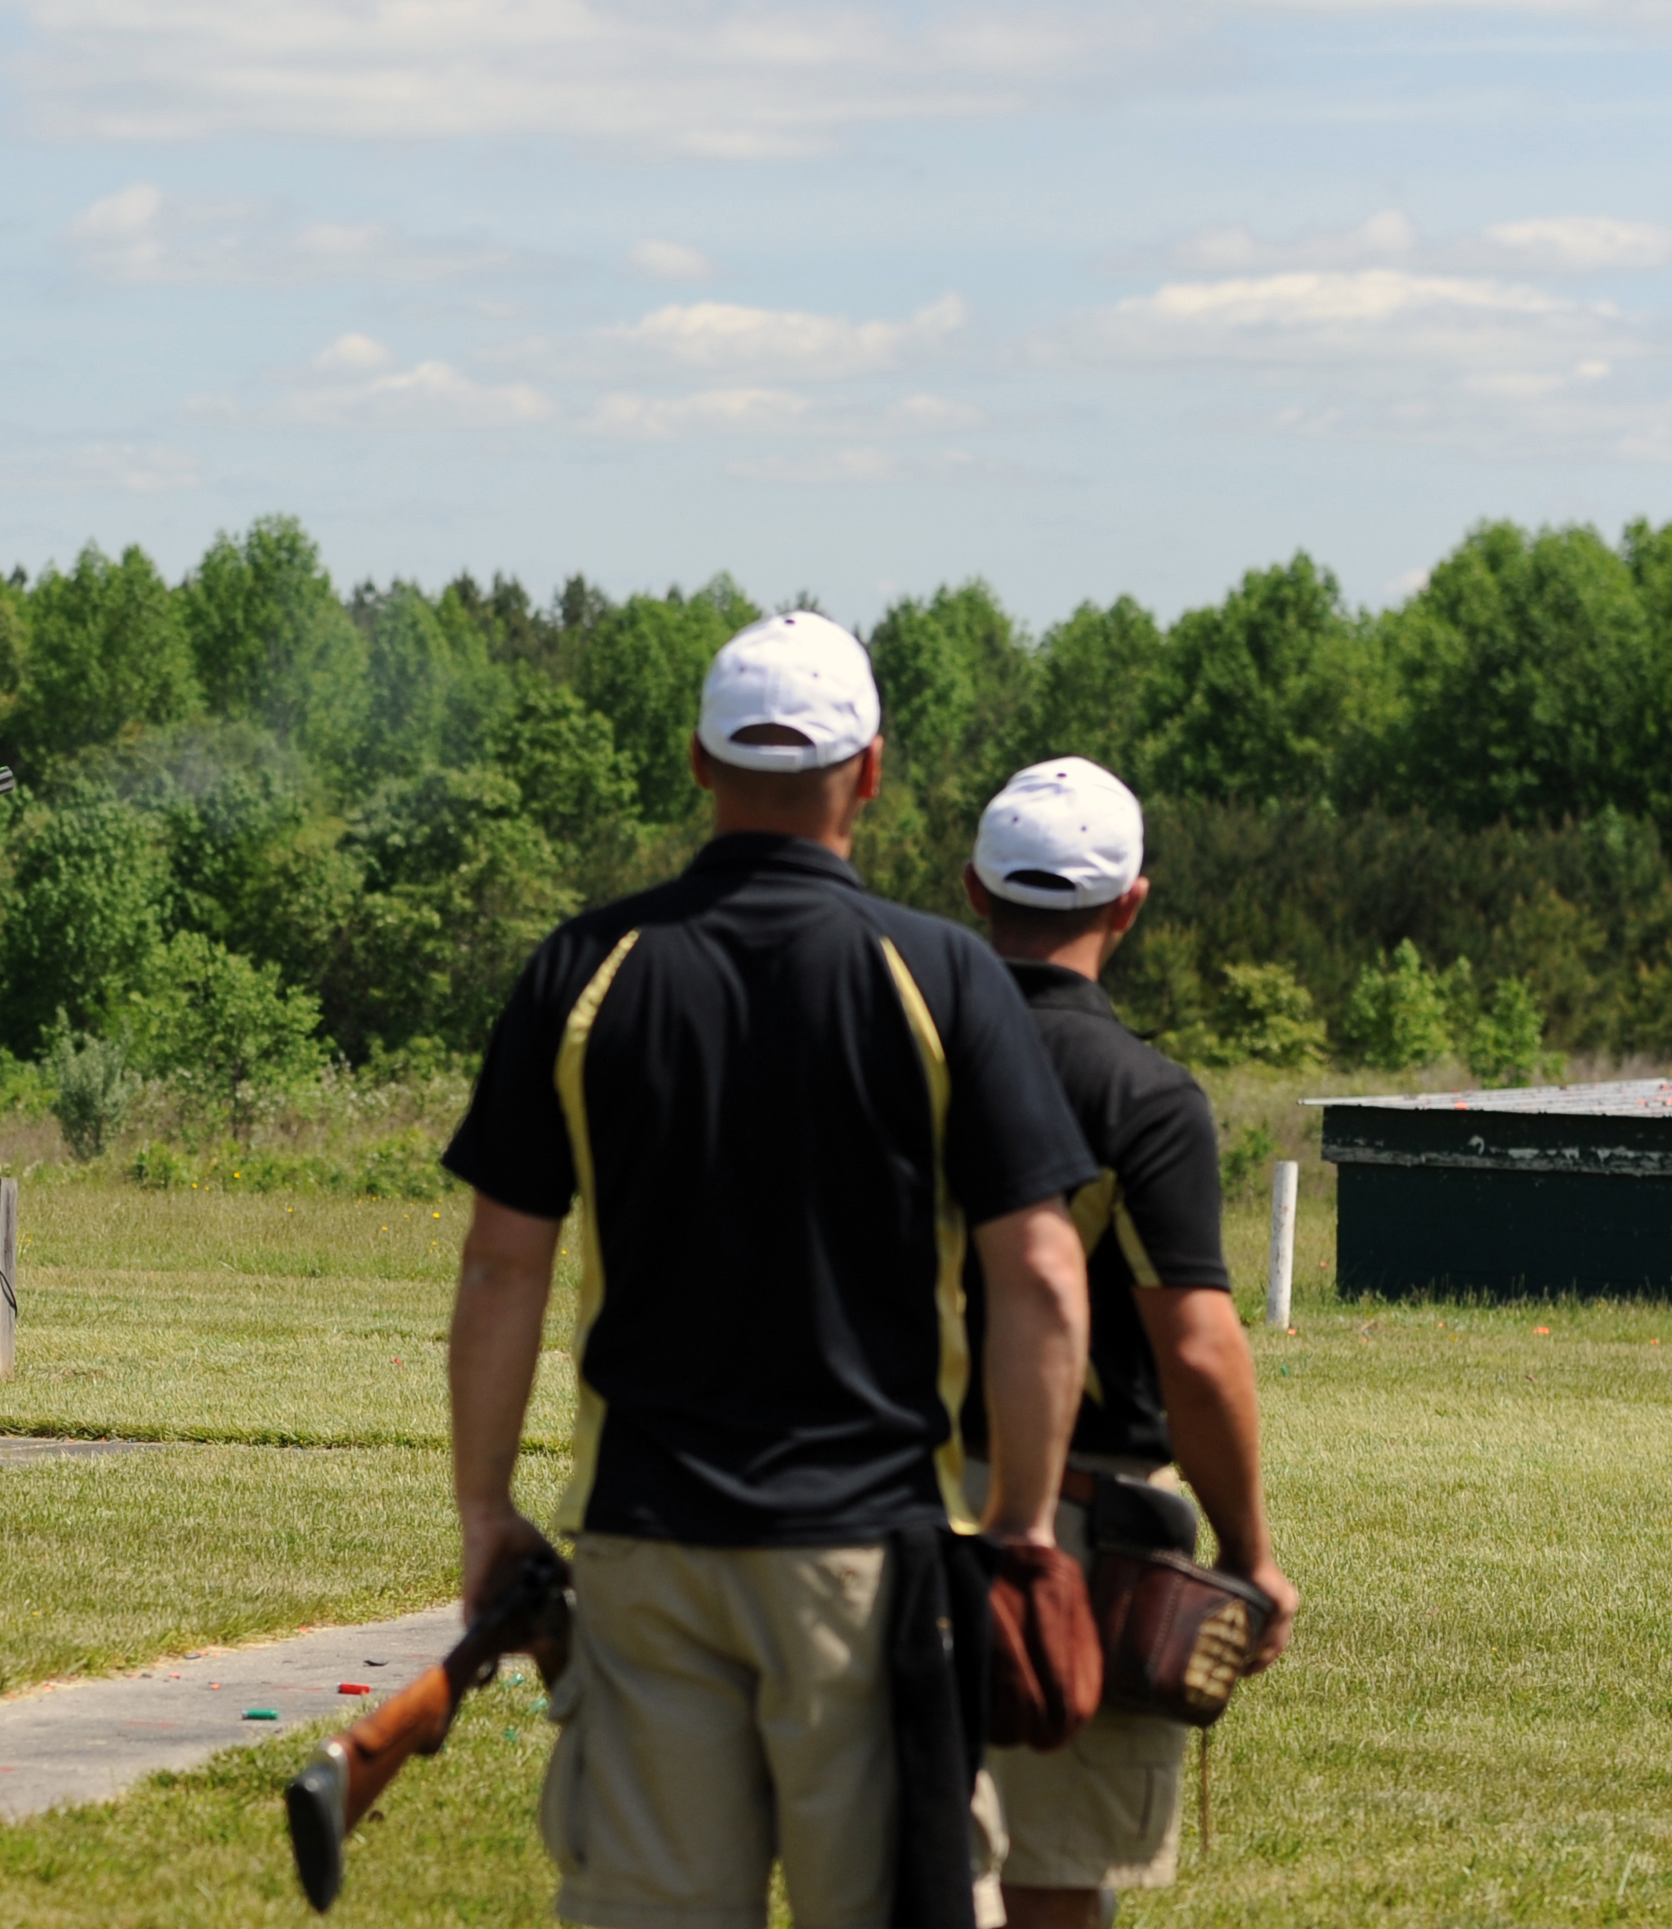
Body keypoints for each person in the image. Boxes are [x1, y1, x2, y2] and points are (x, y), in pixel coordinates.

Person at [441, 611, 1099, 1929]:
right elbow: (1036, 1276)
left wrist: (485, 1511)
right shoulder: (941, 973)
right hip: (866, 1555)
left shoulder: (585, 967)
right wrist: (1021, 1524)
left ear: (696, 760)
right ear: (868, 772)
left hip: (644, 1544)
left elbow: (503, 1265)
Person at [957, 757, 1301, 1929]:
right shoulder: (1144, 1095)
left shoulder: (884, 1055)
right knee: (1055, 1885)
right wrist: (1251, 1551)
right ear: (1129, 905)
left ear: (973, 890)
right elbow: (1198, 1353)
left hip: (863, 1510)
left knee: (896, 1871)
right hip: (1069, 1524)